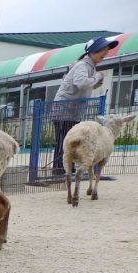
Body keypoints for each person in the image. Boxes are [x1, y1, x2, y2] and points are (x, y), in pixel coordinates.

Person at [51, 36, 119, 175]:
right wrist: (98, 77)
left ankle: (66, 169)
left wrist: (96, 81)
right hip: (65, 110)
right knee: (64, 140)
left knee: (68, 140)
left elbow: (85, 86)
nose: (105, 53)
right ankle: (60, 170)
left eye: (107, 50)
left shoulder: (89, 67)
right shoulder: (82, 65)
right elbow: (81, 83)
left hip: (72, 111)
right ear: (93, 51)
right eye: (103, 50)